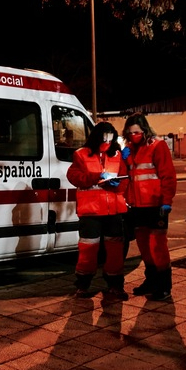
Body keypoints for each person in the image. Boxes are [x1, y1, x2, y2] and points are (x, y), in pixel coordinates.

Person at [66, 122, 130, 299]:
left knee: (115, 250)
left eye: (111, 135)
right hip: (91, 211)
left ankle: (115, 285)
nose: (108, 138)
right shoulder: (81, 154)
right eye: (105, 135)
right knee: (88, 249)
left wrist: (118, 185)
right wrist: (95, 177)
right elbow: (73, 176)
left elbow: (124, 180)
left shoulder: (118, 155)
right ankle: (83, 285)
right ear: (97, 135)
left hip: (113, 210)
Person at [121, 112, 177, 301]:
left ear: (144, 130)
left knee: (157, 247)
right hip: (138, 206)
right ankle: (151, 281)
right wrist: (124, 159)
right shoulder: (129, 149)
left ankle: (164, 286)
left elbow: (167, 176)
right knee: (145, 247)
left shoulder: (157, 146)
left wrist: (167, 201)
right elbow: (128, 177)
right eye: (129, 133)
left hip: (156, 205)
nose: (133, 136)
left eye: (136, 132)